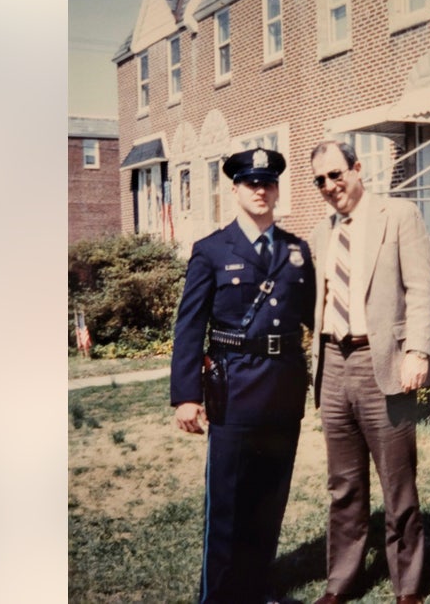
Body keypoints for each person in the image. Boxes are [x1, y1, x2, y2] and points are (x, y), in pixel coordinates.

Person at [169, 147, 316, 604]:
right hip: (233, 390)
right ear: (234, 190)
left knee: (269, 500)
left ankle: (257, 590)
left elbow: (314, 313)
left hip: (283, 390)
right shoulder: (212, 250)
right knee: (228, 506)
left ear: (277, 190)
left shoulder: (296, 250)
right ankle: (217, 597)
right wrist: (185, 396)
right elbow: (190, 325)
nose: (260, 190)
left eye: (268, 183)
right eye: (251, 183)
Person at [307, 140, 430, 604]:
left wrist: (417, 350)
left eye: (336, 174)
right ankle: (340, 584)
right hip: (333, 367)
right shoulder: (321, 234)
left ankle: (407, 587)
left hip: (382, 364)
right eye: (319, 179)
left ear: (358, 169)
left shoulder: (399, 216)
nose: (329, 186)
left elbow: (421, 288)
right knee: (343, 485)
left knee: (397, 482)